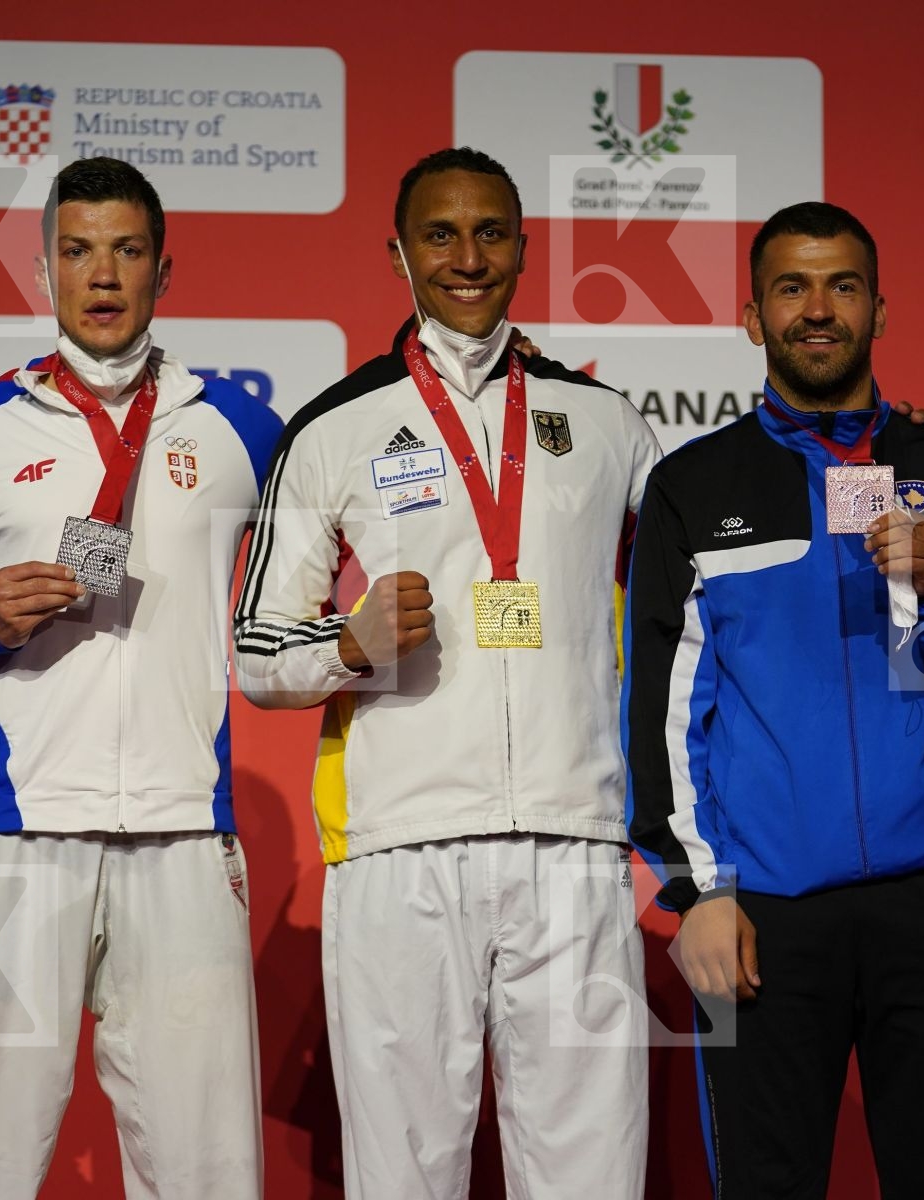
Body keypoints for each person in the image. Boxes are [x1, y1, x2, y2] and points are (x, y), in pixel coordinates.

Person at [0, 156, 281, 1199]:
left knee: (207, 1173)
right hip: (6, 836)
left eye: (127, 251)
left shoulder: (243, 430)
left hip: (180, 834)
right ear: (44, 271)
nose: (102, 274)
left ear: (163, 272)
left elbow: (305, 608)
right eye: (79, 250)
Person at [231, 147, 657, 1198]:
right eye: (439, 235)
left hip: (573, 845)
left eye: (492, 233)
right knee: (403, 1175)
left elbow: (694, 611)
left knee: (590, 1175)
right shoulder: (334, 428)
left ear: (523, 245)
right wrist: (350, 643)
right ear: (397, 254)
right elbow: (254, 654)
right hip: (400, 850)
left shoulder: (607, 424)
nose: (468, 258)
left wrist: (881, 465)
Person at [622, 201, 924, 1198]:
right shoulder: (689, 485)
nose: (819, 309)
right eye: (792, 288)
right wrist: (699, 892)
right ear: (752, 315)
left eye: (843, 286)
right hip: (762, 912)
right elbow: (658, 715)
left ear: (881, 311)